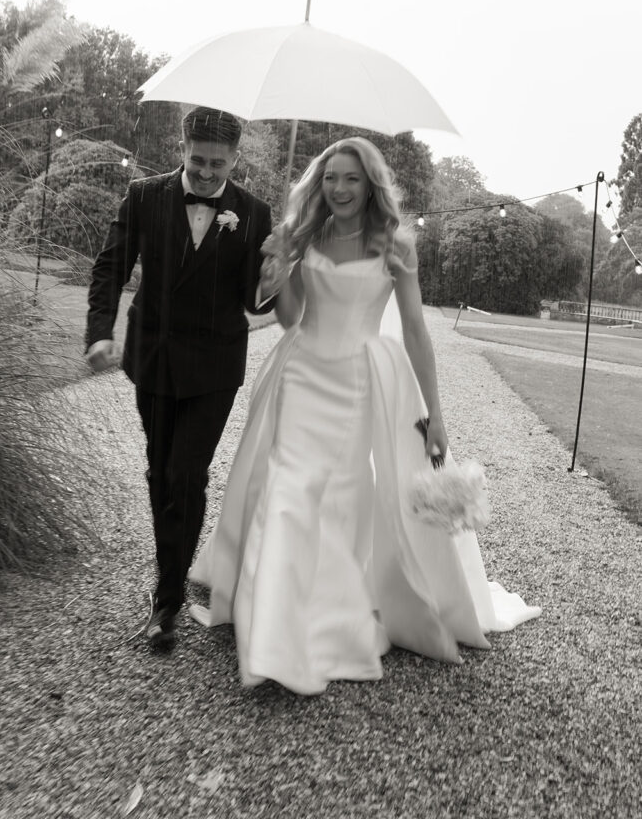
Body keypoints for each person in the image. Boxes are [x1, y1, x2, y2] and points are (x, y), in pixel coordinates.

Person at [189, 136, 540, 694]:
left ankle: (325, 618)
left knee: (339, 501)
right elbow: (289, 318)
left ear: (370, 184)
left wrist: (437, 418)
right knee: (287, 490)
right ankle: (274, 633)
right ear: (319, 184)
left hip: (355, 383)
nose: (340, 189)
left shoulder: (395, 244)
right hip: (301, 374)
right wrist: (276, 272)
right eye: (331, 178)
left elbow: (418, 332)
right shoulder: (304, 233)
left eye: (352, 178)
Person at [85, 107, 274, 648]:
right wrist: (101, 330)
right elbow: (110, 266)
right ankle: (172, 571)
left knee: (187, 475)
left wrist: (273, 279)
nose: (208, 172)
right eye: (198, 160)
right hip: (155, 357)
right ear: (182, 148)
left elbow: (254, 299)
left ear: (235, 159)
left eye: (219, 163)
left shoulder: (254, 213)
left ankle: (166, 600)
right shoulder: (144, 195)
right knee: (159, 472)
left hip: (214, 367)